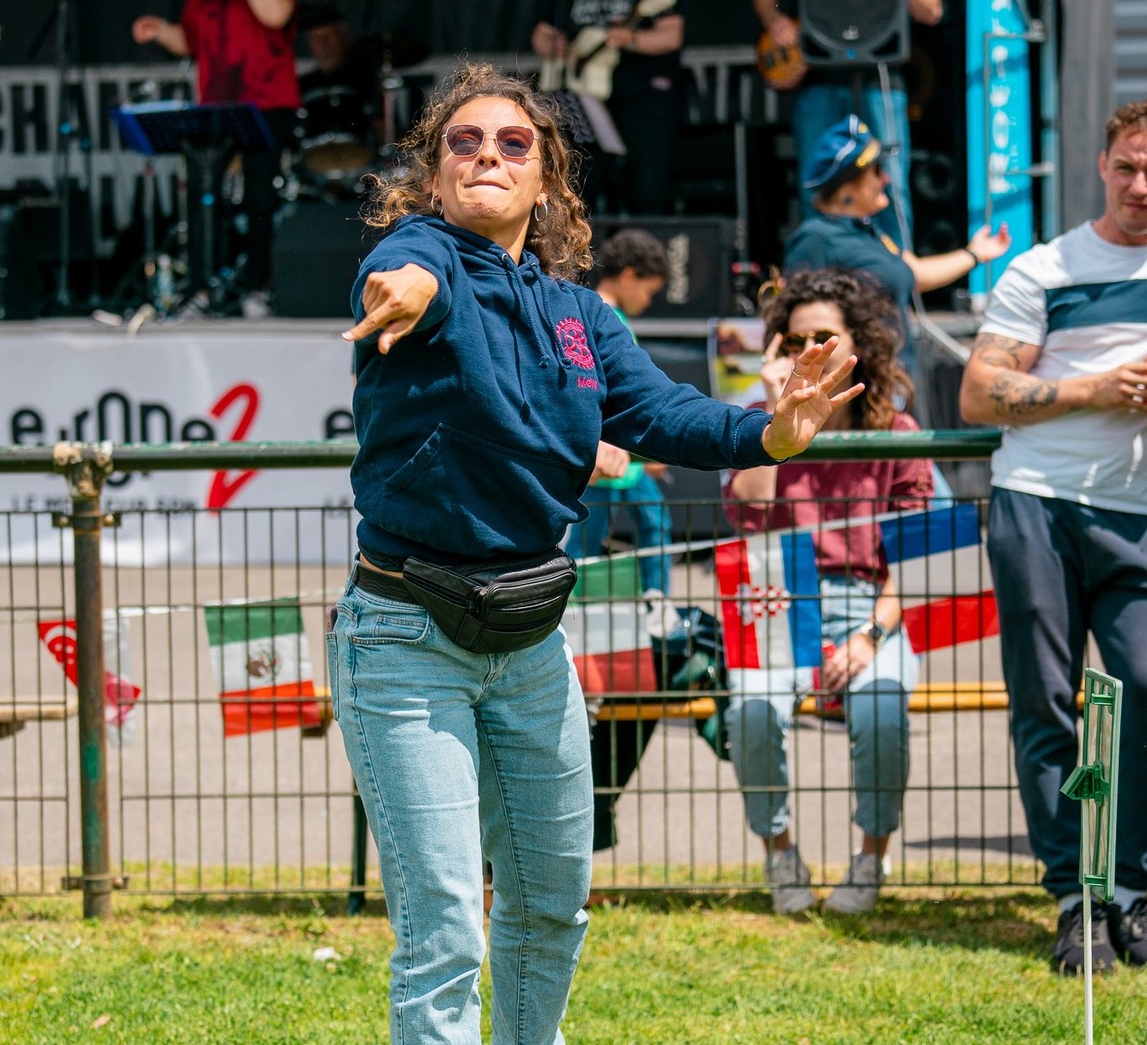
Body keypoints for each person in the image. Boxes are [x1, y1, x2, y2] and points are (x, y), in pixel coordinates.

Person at [335, 63, 860, 1044]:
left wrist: (770, 434)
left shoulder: (581, 316)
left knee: (549, 905)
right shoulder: (421, 259)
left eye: (513, 143)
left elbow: (662, 412)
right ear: (433, 175)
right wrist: (401, 284)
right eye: (464, 142)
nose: (487, 154)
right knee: (445, 924)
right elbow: (411, 272)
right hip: (406, 638)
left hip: (532, 644)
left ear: (547, 178)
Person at [959, 101, 1147, 977]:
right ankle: (1076, 898)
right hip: (1039, 500)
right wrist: (1094, 390)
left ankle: (1134, 890)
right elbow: (979, 393)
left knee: (1143, 692)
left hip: (1139, 512)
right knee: (1046, 703)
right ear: (1102, 166)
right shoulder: (1046, 269)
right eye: (1127, 167)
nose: (1140, 186)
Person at [724, 267, 935, 914]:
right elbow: (746, 517)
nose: (807, 351)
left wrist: (872, 637)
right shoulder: (762, 420)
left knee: (880, 704)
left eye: (823, 336)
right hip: (783, 603)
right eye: (793, 341)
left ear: (857, 344)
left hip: (874, 608)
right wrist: (774, 420)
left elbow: (919, 561)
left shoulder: (896, 432)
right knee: (751, 709)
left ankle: (871, 858)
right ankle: (780, 855)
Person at [752, 0, 944, 244]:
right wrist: (776, 21)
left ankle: (896, 276)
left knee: (887, 182)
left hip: (878, 79)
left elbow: (932, 11)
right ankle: (820, 276)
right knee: (818, 181)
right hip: (819, 79)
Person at [564, 227, 675, 852]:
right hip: (604, 465)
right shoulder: (603, 319)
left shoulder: (586, 312)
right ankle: (655, 597)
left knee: (592, 552)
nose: (650, 300)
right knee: (647, 518)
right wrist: (640, 452)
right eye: (650, 288)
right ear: (630, 273)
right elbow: (613, 404)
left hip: (603, 464)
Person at [131, 0, 298, 306]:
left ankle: (258, 286)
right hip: (217, 106)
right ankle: (201, 288)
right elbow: (190, 39)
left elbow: (275, 15)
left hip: (267, 101)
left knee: (261, 195)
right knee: (202, 194)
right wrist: (160, 31)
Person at [785, 116, 1011, 375]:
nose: (886, 179)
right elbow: (800, 327)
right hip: (858, 388)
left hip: (895, 380)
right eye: (877, 170)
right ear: (847, 188)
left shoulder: (868, 231)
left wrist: (975, 254)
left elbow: (915, 273)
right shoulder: (815, 240)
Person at [531, 0, 685, 214]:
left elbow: (672, 34)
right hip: (583, 100)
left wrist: (631, 40)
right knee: (581, 186)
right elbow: (542, 34)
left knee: (647, 189)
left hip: (641, 95)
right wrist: (557, 48)